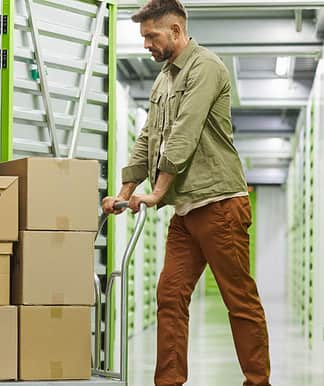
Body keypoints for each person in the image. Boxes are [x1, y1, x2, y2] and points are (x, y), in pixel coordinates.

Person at [101, 1, 272, 385]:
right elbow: (149, 139)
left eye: (151, 35)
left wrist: (157, 192)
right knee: (170, 296)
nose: (145, 43)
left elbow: (185, 134)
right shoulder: (163, 80)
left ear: (176, 31)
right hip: (186, 213)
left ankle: (258, 382)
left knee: (238, 300)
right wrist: (125, 192)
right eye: (143, 37)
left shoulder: (206, 67)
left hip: (220, 205)